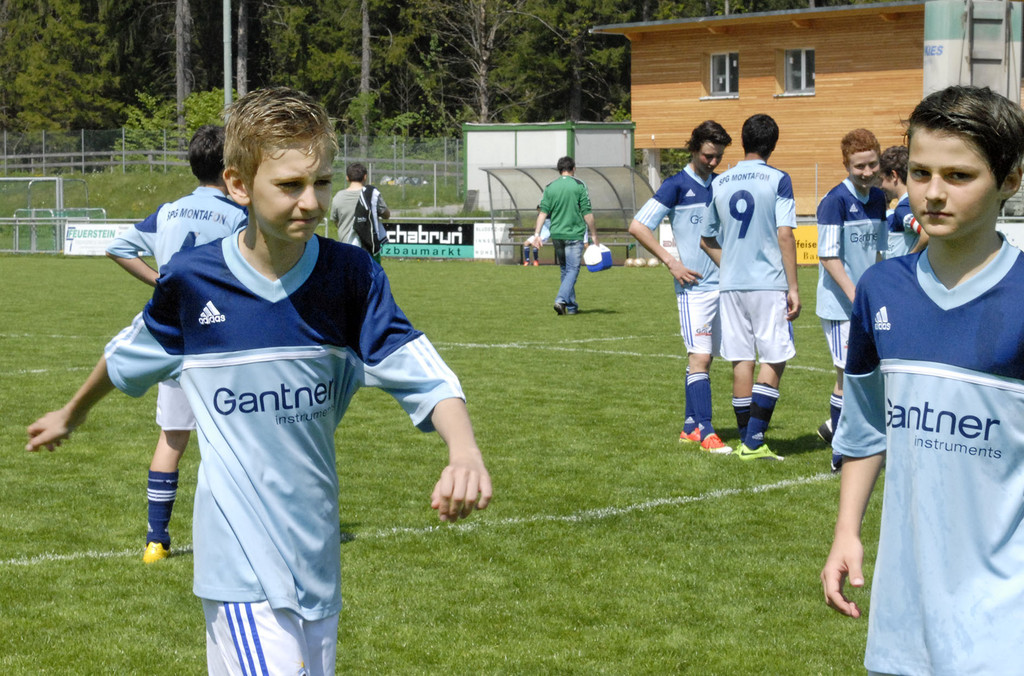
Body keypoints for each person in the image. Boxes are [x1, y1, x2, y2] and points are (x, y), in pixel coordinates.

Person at [27, 86, 492, 675]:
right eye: (290, 185)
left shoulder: (351, 278)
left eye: (320, 182)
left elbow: (422, 371)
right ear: (239, 185)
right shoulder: (193, 281)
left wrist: (464, 450)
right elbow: (125, 357)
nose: (311, 202)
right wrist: (71, 413)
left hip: (315, 557)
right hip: (239, 560)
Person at [821, 85, 1024, 675]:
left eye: (959, 176)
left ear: (1010, 181)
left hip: (1005, 612)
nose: (933, 193)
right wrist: (846, 532)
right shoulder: (882, 289)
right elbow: (865, 425)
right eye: (919, 172)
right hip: (903, 614)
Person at [105, 124, 247, 563]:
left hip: (175, 334)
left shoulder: (169, 211)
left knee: (172, 438)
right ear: (231, 167)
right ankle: (236, 537)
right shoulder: (239, 214)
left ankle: (156, 540)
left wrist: (159, 281)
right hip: (223, 337)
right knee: (235, 441)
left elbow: (118, 247)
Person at [628, 120, 733, 454]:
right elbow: (638, 226)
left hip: (723, 286)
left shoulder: (721, 185)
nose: (713, 162)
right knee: (699, 356)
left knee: (706, 358)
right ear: (693, 149)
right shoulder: (675, 185)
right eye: (707, 156)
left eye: (718, 157)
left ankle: (690, 427)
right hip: (693, 289)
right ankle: (707, 433)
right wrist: (671, 262)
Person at [700, 114, 800, 461]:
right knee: (775, 357)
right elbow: (784, 234)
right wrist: (793, 287)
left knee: (741, 359)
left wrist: (729, 265)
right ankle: (754, 442)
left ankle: (746, 440)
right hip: (768, 283)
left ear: (743, 141)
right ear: (773, 144)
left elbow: (706, 238)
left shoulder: (720, 182)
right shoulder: (778, 179)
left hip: (731, 286)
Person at [814, 129, 888, 473]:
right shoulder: (835, 201)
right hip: (841, 306)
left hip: (866, 304)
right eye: (859, 166)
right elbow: (829, 257)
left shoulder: (879, 199)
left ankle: (848, 440)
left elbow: (879, 252)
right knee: (848, 375)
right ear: (846, 164)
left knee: (868, 374)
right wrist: (856, 295)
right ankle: (840, 453)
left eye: (872, 164)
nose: (867, 172)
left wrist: (878, 291)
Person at [533, 156, 601, 315]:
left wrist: (537, 234)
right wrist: (594, 234)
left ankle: (571, 307)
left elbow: (543, 212)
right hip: (574, 234)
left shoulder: (550, 186)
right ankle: (560, 299)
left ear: (559, 170)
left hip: (557, 234)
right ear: (573, 168)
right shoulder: (579, 185)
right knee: (573, 269)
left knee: (565, 269)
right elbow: (587, 212)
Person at [329, 161, 390, 263]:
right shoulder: (372, 195)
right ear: (365, 177)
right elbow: (386, 215)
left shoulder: (338, 197)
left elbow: (336, 221)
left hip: (346, 247)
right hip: (369, 247)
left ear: (347, 178)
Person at [880, 144, 928, 259]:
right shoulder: (920, 201)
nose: (881, 185)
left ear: (893, 175)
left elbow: (926, 234)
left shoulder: (904, 207)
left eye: (881, 179)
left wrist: (907, 260)